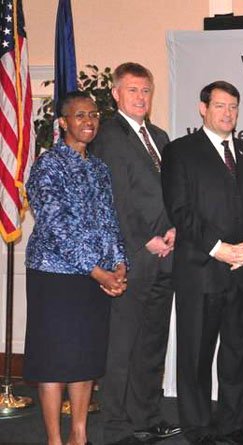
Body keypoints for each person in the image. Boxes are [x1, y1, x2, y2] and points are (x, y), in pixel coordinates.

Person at [161, 81, 243, 445]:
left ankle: (233, 425)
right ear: (202, 108)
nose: (228, 113)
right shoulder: (180, 151)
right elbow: (180, 209)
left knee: (240, 353)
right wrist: (219, 248)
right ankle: (198, 428)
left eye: (233, 107)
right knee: (196, 355)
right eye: (221, 106)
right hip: (201, 271)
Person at [23, 91, 127, 445]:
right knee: (54, 361)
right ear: (63, 122)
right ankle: (54, 438)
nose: (88, 121)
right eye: (80, 115)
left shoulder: (98, 167)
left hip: (93, 278)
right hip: (54, 278)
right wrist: (96, 270)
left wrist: (118, 263)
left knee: (85, 357)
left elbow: (109, 219)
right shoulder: (47, 166)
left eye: (93, 115)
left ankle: (79, 434)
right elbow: (56, 226)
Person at [89, 62, 180, 445]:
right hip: (131, 256)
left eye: (145, 90)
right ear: (116, 94)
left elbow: (174, 190)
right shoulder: (108, 137)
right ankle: (115, 428)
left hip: (167, 254)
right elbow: (115, 201)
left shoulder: (159, 136)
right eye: (132, 90)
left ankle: (147, 417)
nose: (141, 97)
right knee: (122, 346)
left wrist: (174, 229)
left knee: (153, 343)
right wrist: (145, 240)